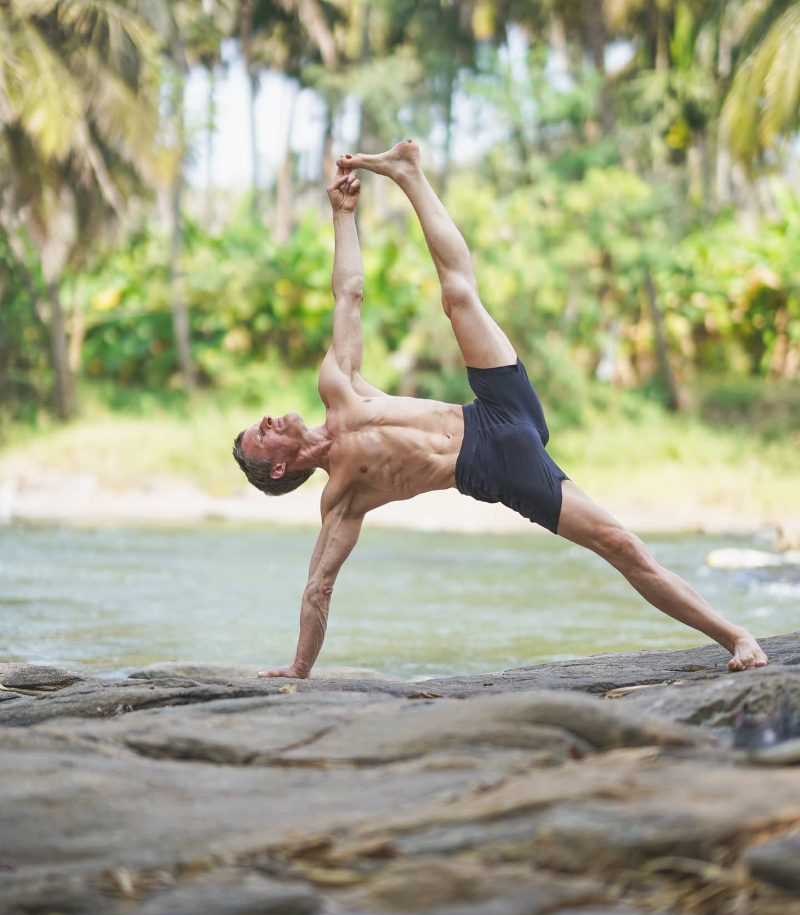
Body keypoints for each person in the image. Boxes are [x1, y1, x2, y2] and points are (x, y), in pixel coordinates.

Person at [232, 140, 768, 679]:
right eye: (261, 434)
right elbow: (318, 587)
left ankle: (409, 173)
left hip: (495, 406)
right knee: (620, 545)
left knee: (460, 296)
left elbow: (347, 293)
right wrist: (300, 670)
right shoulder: (343, 498)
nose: (268, 420)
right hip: (496, 464)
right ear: (279, 467)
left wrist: (342, 215)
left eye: (260, 423)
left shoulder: (338, 385)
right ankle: (735, 635)